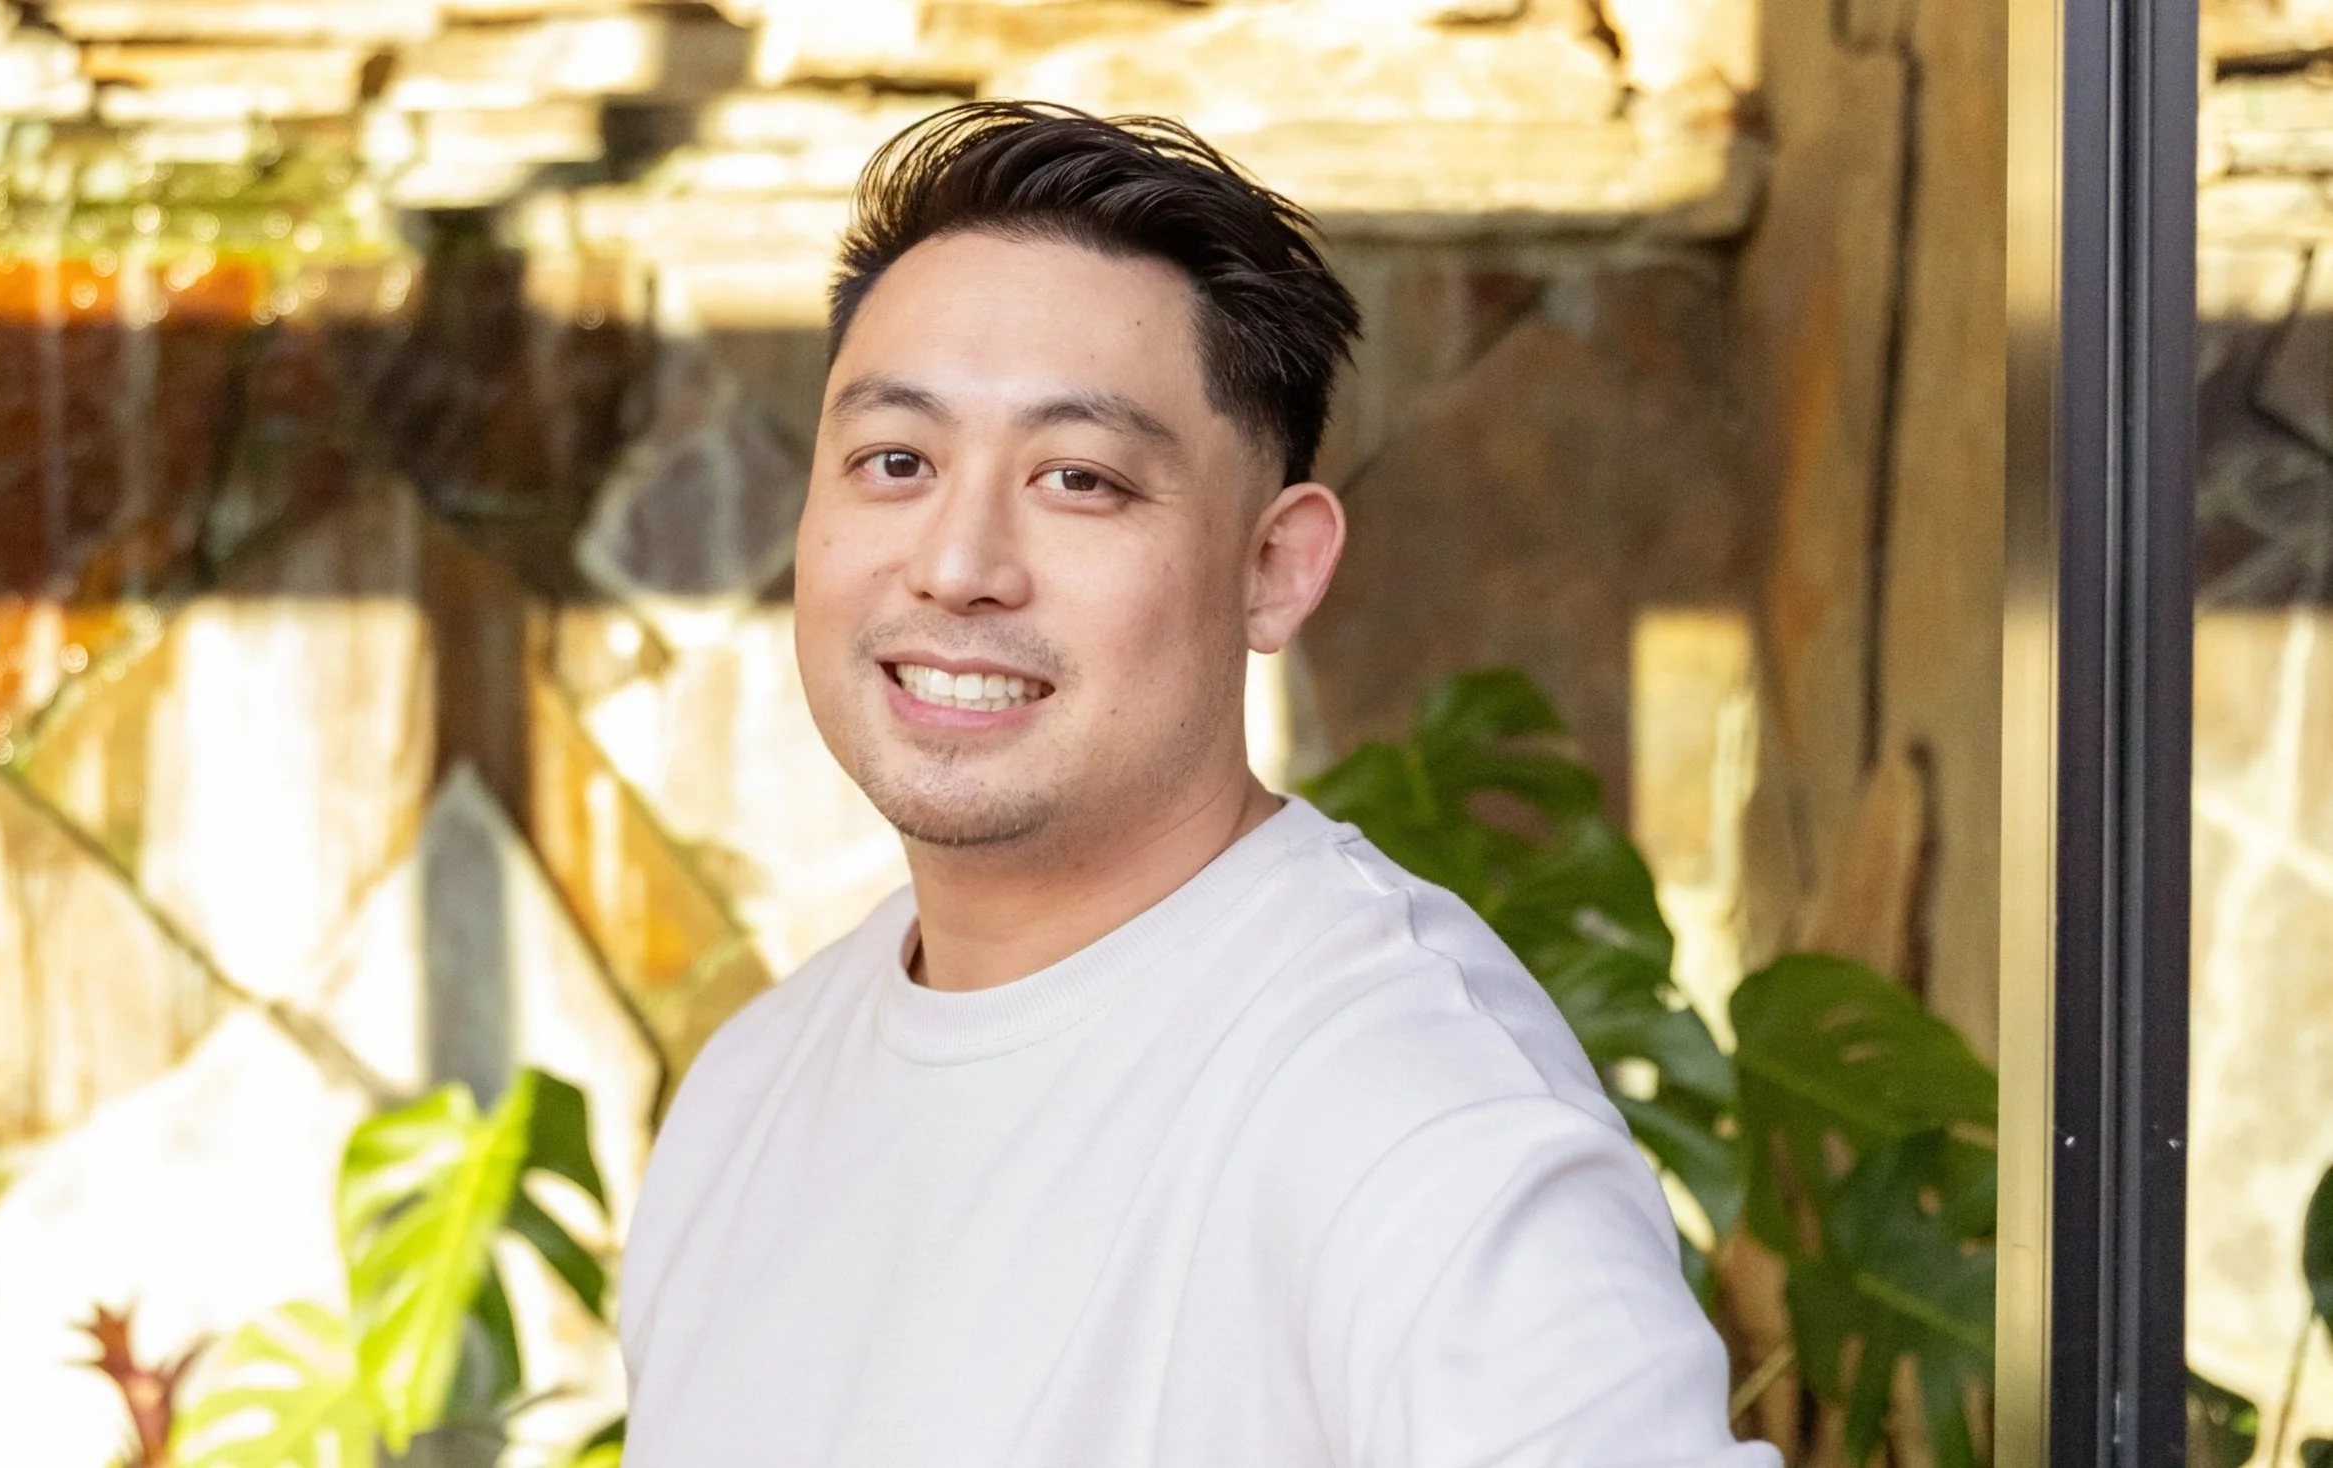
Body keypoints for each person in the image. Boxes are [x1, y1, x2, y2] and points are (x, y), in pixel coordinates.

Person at [617, 101, 1774, 1468]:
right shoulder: (750, 1093)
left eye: (1081, 478)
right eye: (897, 462)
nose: (957, 561)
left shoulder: (1412, 1115)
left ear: (1274, 568)